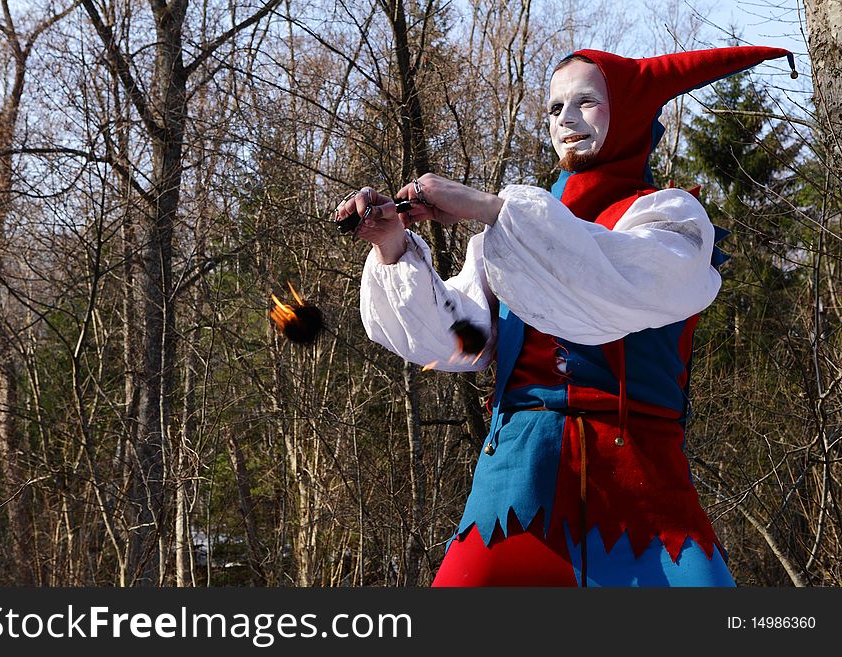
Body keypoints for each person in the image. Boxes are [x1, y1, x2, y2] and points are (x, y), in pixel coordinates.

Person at [336, 46, 795, 587]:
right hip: (516, 476)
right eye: (555, 108)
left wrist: (490, 209)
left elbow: (608, 284)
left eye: (586, 103)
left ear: (628, 113)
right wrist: (393, 246)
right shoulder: (508, 234)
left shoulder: (671, 218)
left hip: (643, 479)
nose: (566, 121)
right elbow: (463, 342)